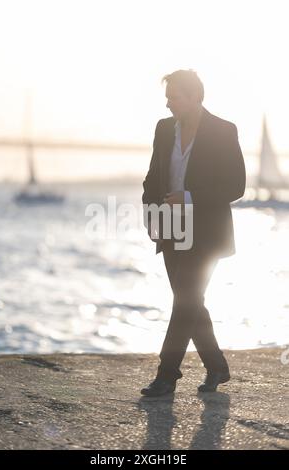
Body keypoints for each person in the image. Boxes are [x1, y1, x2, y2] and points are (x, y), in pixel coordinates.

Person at [141, 69, 246, 396]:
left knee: (186, 301)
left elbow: (236, 185)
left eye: (175, 97)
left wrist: (190, 197)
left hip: (207, 231)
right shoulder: (163, 128)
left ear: (194, 97)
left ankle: (167, 374)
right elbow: (152, 177)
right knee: (189, 302)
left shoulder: (223, 131)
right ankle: (216, 366)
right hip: (170, 226)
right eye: (168, 96)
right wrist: (150, 213)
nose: (168, 102)